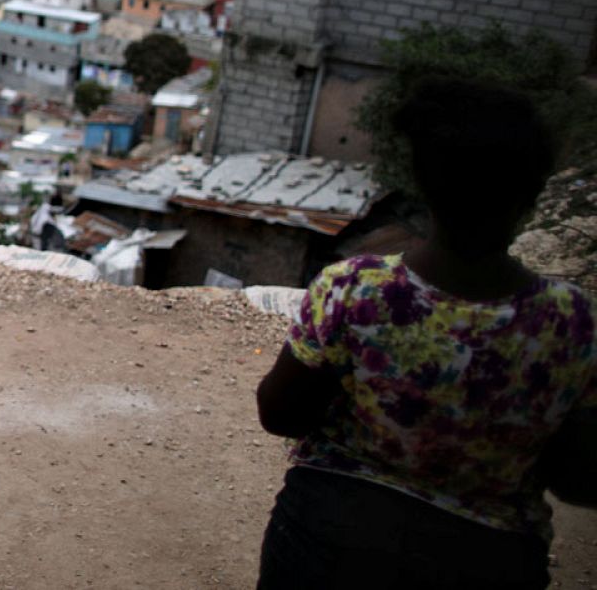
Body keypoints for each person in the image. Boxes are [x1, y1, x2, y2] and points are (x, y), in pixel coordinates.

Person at [254, 77, 596, 590]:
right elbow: (580, 480)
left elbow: (279, 413)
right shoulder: (569, 322)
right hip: (487, 559)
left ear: (423, 186)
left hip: (329, 538)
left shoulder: (356, 290)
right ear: (530, 196)